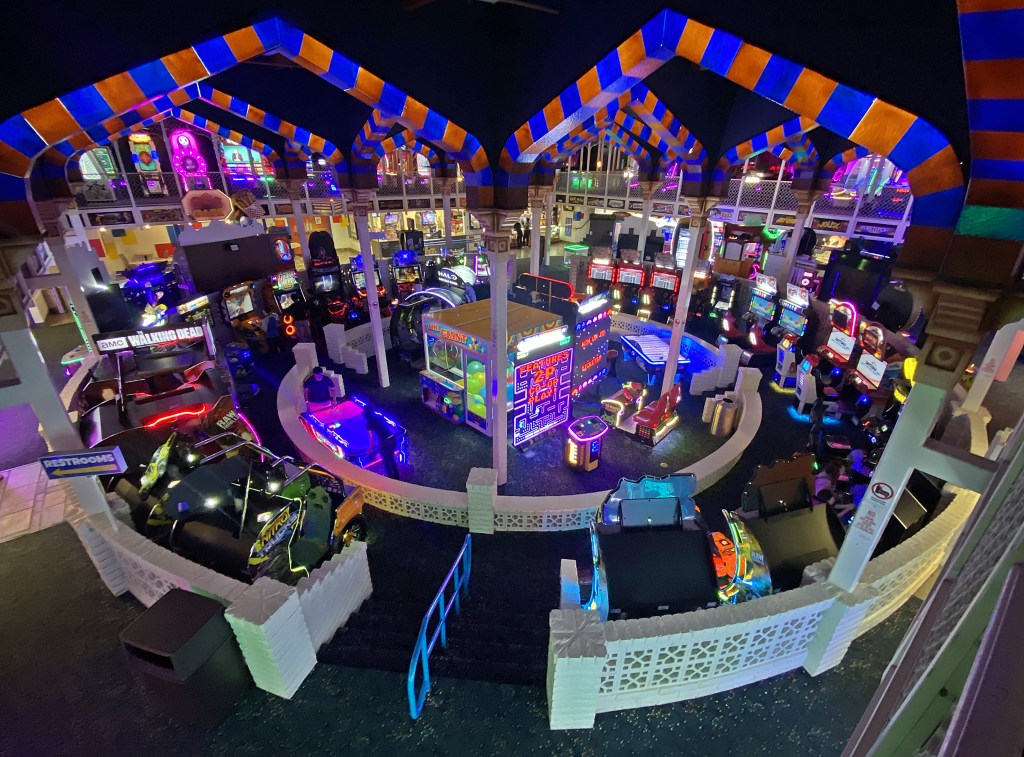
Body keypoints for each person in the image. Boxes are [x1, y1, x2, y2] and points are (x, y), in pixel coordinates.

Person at [364, 407, 400, 480]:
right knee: (391, 458)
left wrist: (370, 447)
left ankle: (390, 478)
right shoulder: (379, 416)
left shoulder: (368, 423)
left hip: (385, 441)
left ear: (365, 414)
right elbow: (386, 425)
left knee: (386, 460)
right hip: (392, 438)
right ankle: (397, 477)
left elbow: (371, 436)